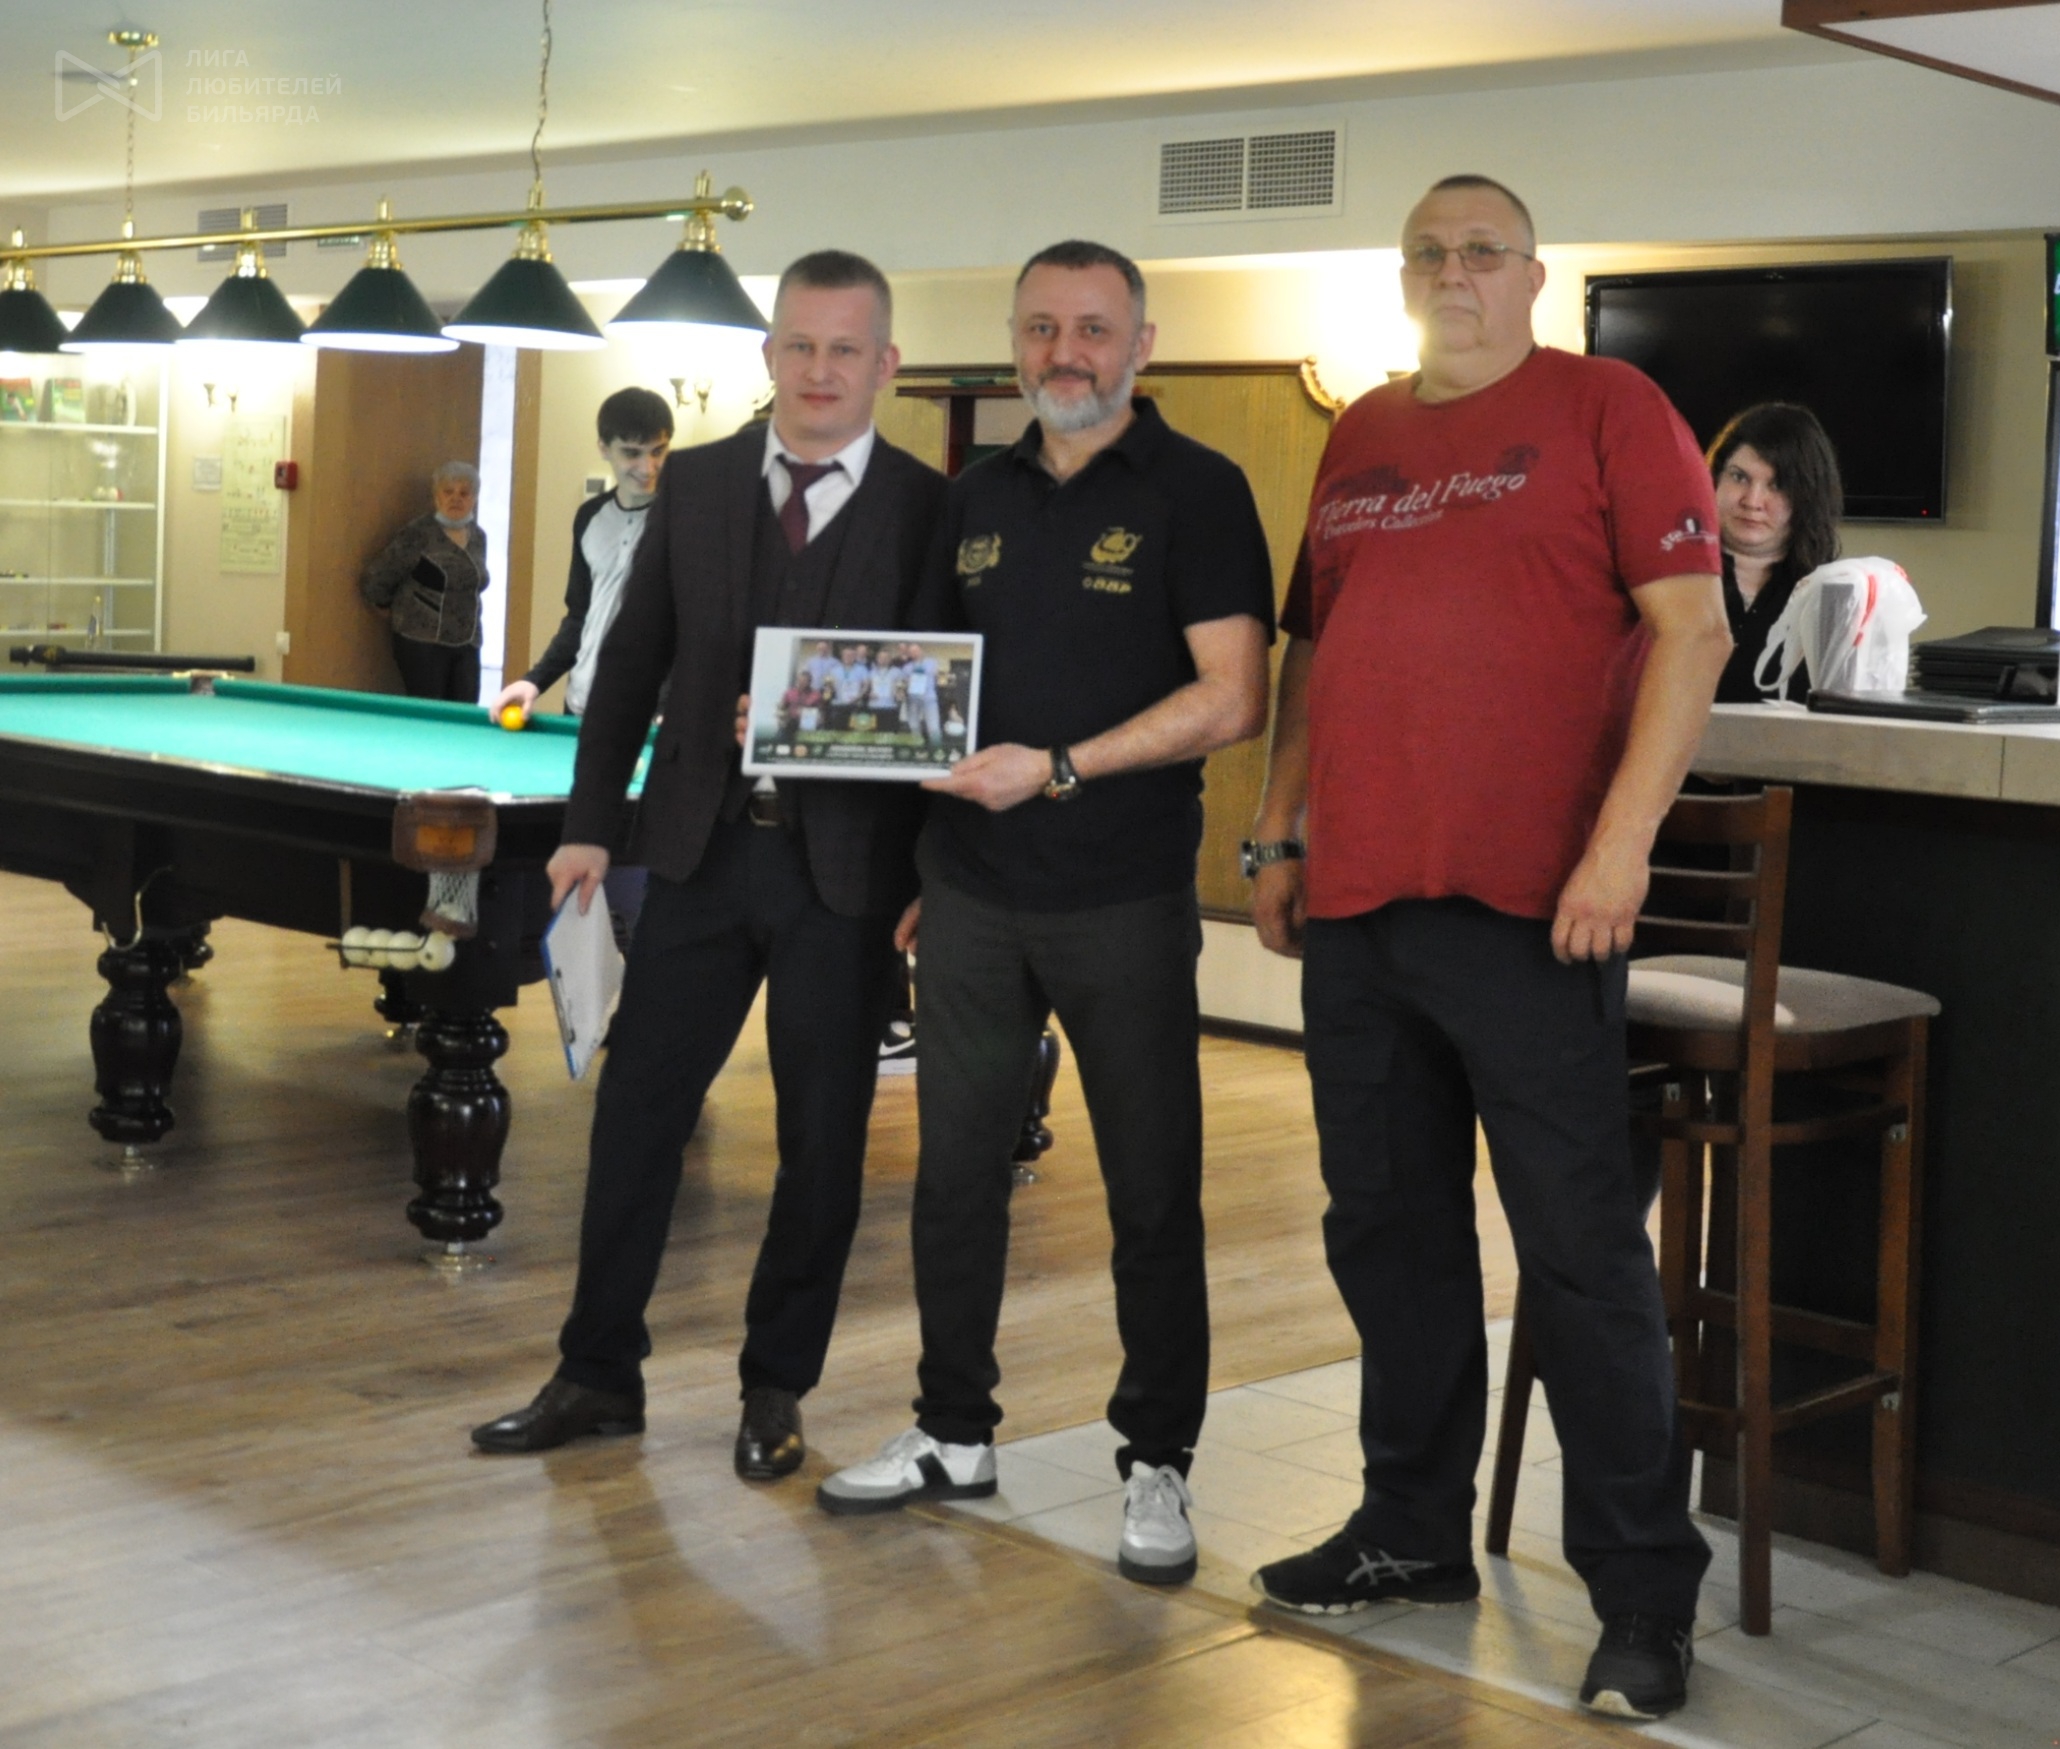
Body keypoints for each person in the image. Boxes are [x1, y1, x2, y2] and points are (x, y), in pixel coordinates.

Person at [1244, 176, 1731, 1723]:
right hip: (1358, 901)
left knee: (1580, 1260)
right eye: (1428, 254)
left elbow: (1694, 628)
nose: (1452, 272)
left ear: (1531, 274)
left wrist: (1620, 846)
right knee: (1386, 1234)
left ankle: (1642, 1594)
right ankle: (1409, 1530)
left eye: (1479, 252)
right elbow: (1314, 646)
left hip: (1532, 905)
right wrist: (1277, 826)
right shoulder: (1360, 431)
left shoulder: (1608, 407)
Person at [816, 241, 1275, 1593]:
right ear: (1013, 341)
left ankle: (1156, 1459)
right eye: (1038, 328)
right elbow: (925, 691)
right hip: (969, 893)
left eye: (1091, 328)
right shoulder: (972, 495)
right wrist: (811, 729)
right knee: (952, 1178)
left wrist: (1062, 768)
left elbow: (1233, 695)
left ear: (1141, 344)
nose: (1063, 352)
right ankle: (953, 1430)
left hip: (1121, 894)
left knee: (1149, 1186)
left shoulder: (1199, 488)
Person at [469, 250, 945, 1485]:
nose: (821, 370)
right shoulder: (701, 482)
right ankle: (595, 1372)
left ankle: (775, 1387)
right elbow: (630, 660)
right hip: (693, 852)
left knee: (820, 1143)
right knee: (636, 1117)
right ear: (770, 354)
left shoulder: (930, 506)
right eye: (801, 346)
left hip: (846, 876)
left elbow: (943, 697)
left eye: (846, 350)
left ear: (885, 365)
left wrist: (804, 719)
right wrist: (589, 824)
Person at [490, 385, 676, 937]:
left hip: (650, 721)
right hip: (583, 710)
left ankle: (633, 966)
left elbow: (693, 627)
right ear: (604, 449)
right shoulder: (590, 517)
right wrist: (533, 681)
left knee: (631, 883)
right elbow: (579, 616)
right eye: (631, 453)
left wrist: (669, 704)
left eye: (659, 451)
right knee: (580, 864)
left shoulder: (686, 519)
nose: (647, 467)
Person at [1706, 402, 1844, 702]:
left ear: (1807, 497)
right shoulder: (1672, 580)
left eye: (1777, 485)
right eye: (1739, 477)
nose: (1752, 501)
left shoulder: (1833, 597)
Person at [359, 460, 489, 702]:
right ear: (436, 497)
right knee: (429, 713)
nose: (456, 499)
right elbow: (377, 578)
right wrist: (388, 609)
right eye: (448, 492)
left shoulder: (478, 537)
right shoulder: (418, 533)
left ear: (474, 498)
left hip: (468, 641)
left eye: (464, 493)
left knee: (465, 712)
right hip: (421, 642)